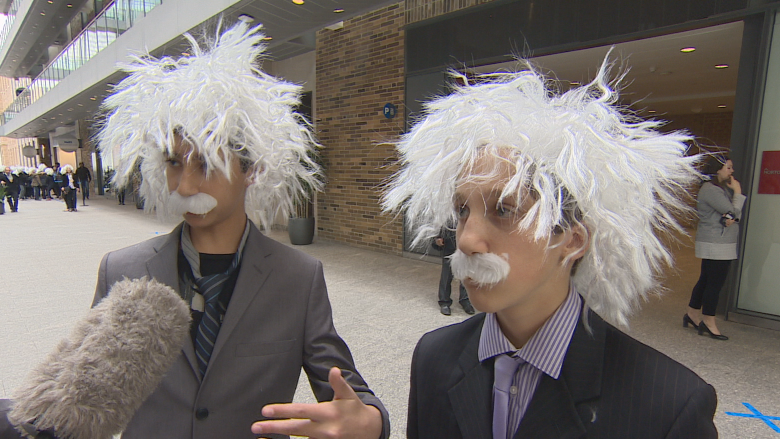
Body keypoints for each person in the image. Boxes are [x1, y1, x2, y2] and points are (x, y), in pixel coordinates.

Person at [382, 57, 718, 438]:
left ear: (572, 240)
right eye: (462, 210)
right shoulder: (434, 357)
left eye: (505, 209)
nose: (466, 239)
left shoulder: (669, 407)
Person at [93, 19, 388, 439]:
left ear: (251, 169)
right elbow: (86, 392)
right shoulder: (121, 269)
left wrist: (371, 421)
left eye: (207, 164)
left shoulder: (298, 279)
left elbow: (346, 390)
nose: (185, 186)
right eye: (175, 163)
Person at [684, 154, 745, 341]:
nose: (732, 171)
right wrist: (738, 192)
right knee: (714, 283)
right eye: (728, 167)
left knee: (706, 279)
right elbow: (733, 212)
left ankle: (692, 314)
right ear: (717, 170)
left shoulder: (717, 189)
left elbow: (730, 216)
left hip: (716, 241)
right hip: (717, 243)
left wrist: (731, 217)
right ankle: (708, 321)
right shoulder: (712, 190)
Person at [433, 224, 474, 315]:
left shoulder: (469, 214)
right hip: (449, 250)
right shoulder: (448, 216)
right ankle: (444, 302)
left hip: (466, 251)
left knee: (466, 276)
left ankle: (465, 300)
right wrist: (437, 241)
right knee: (446, 277)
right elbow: (436, 234)